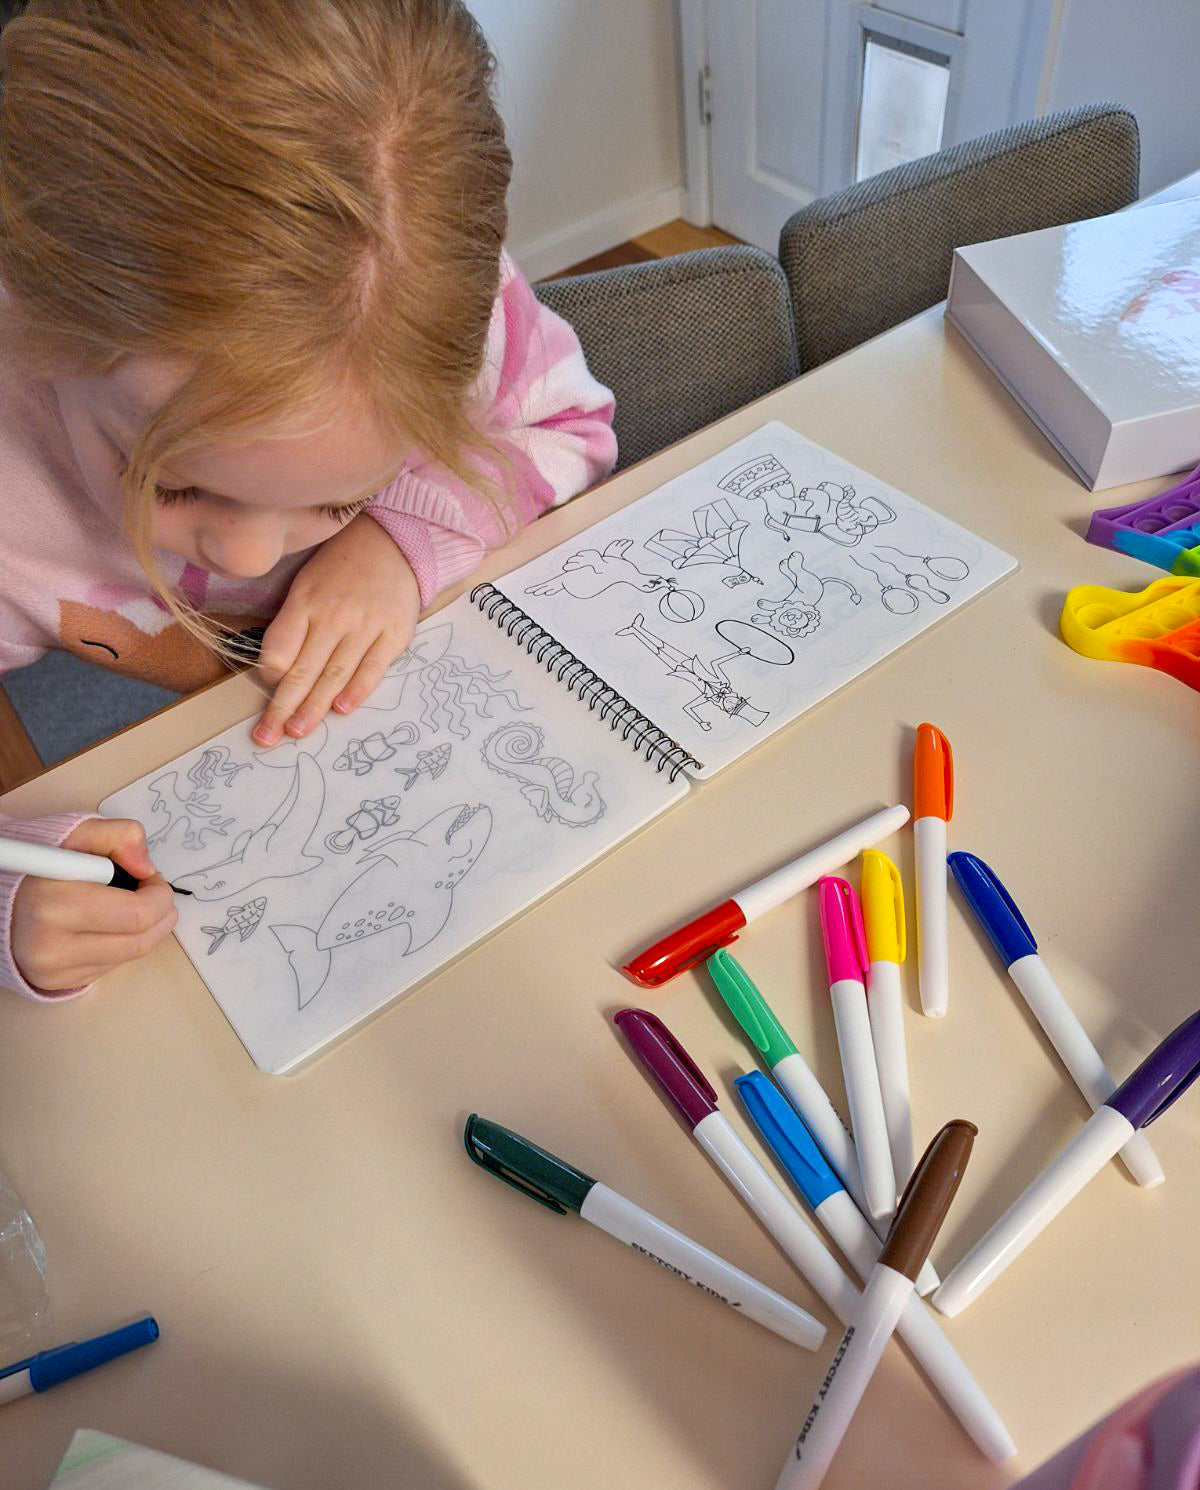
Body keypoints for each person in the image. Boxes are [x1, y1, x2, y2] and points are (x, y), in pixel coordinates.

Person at [0, 0, 616, 999]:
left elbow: (569, 428)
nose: (248, 561)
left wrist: (398, 537)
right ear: (35, 321)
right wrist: (13, 897)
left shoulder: (407, 301)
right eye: (174, 480)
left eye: (340, 493)